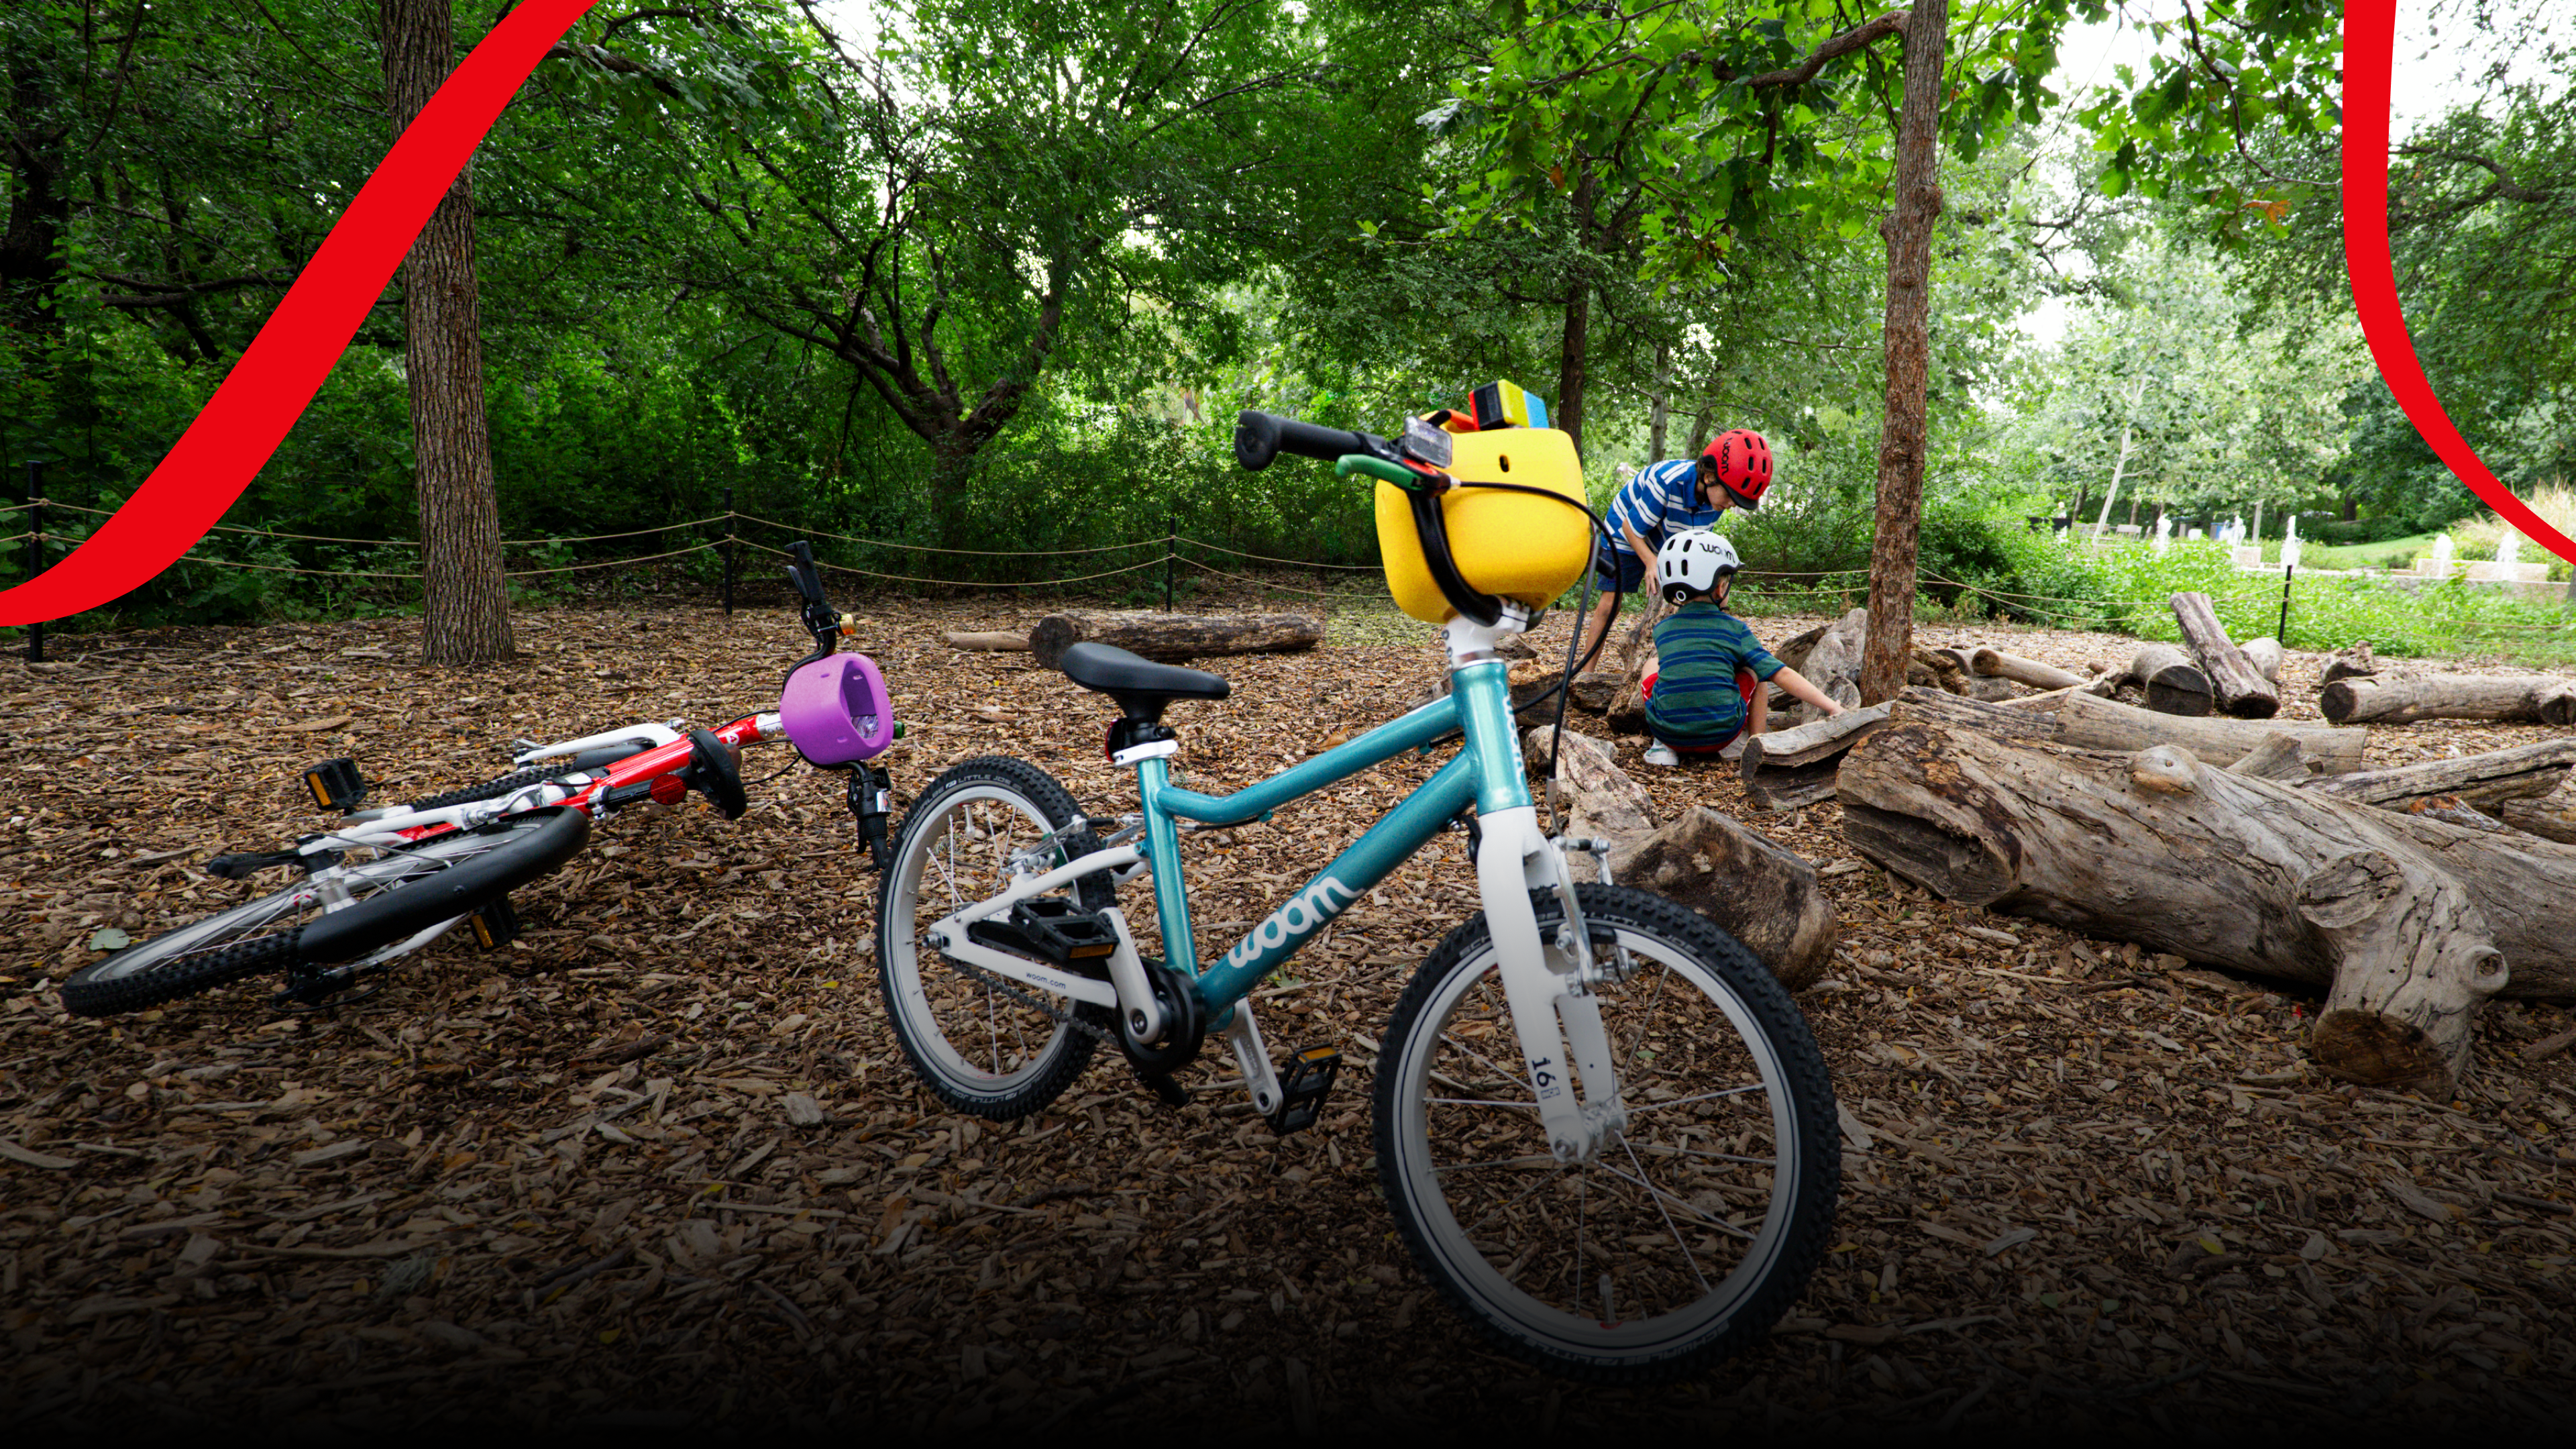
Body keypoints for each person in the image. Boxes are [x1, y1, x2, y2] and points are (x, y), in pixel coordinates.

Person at [1639, 529, 1843, 767]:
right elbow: (1781, 673)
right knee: (1758, 671)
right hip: (1720, 735)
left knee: (1652, 664)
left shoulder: (1663, 629)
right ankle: (1758, 745)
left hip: (1670, 734)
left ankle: (1661, 747)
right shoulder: (1734, 629)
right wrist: (1831, 706)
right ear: (1720, 588)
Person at [1576, 429, 1774, 666]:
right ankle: (1586, 672)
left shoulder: (1716, 501)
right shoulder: (1669, 481)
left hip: (1665, 532)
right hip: (1626, 527)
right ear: (1710, 477)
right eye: (1732, 496)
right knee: (1612, 602)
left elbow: (1693, 547)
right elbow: (1631, 528)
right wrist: (1650, 562)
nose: (1732, 505)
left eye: (1739, 501)